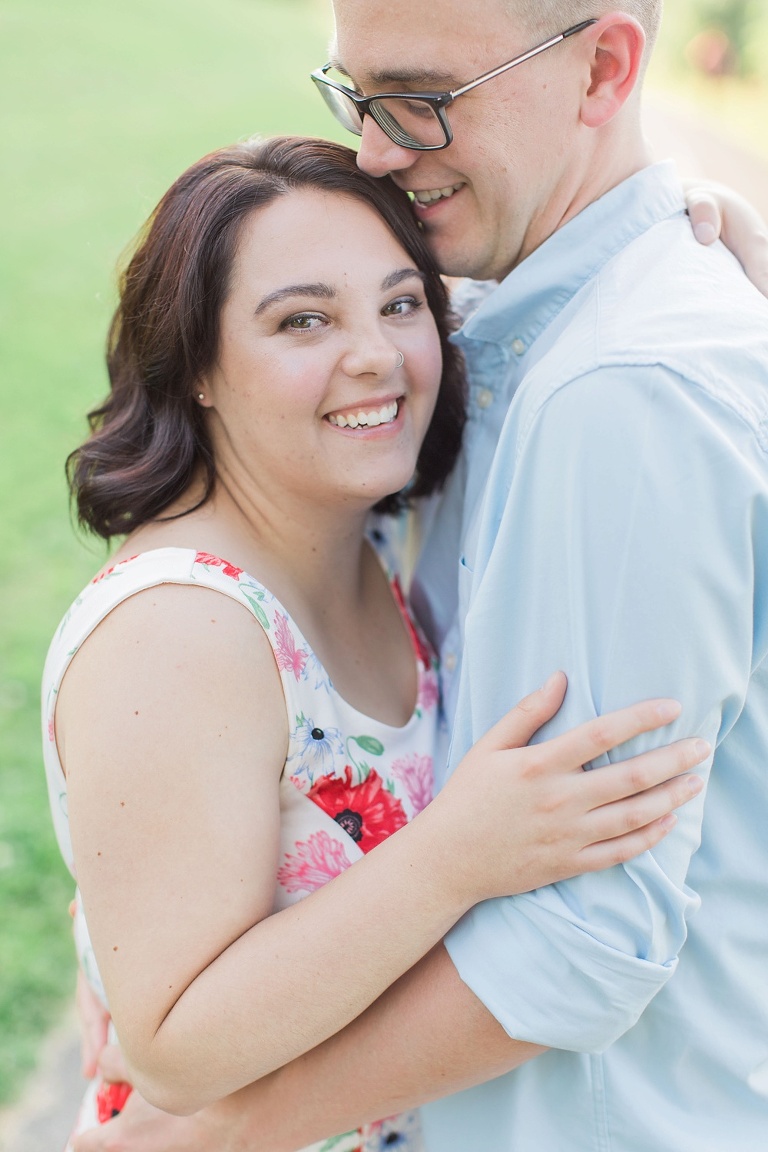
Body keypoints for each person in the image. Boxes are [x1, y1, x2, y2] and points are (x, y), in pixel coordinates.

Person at [65, 3, 768, 1151]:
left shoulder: (619, 388)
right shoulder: (507, 331)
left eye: (423, 97)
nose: (381, 152)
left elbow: (579, 943)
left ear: (605, 69)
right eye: (355, 95)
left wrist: (203, 1139)